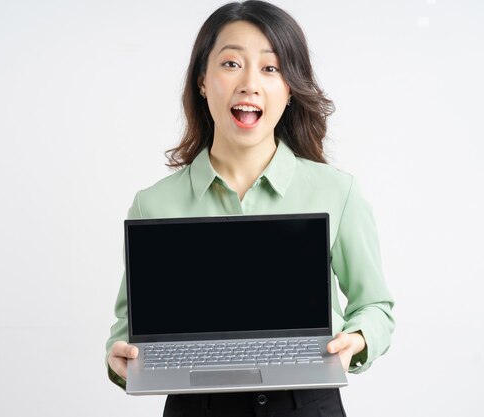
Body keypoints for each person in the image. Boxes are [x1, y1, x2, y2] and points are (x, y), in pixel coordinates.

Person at [105, 1, 395, 416]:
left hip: (305, 405)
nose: (249, 84)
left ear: (290, 87)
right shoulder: (153, 204)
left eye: (270, 68)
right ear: (202, 81)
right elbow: (128, 326)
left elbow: (375, 306)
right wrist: (118, 359)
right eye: (230, 64)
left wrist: (359, 338)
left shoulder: (337, 192)